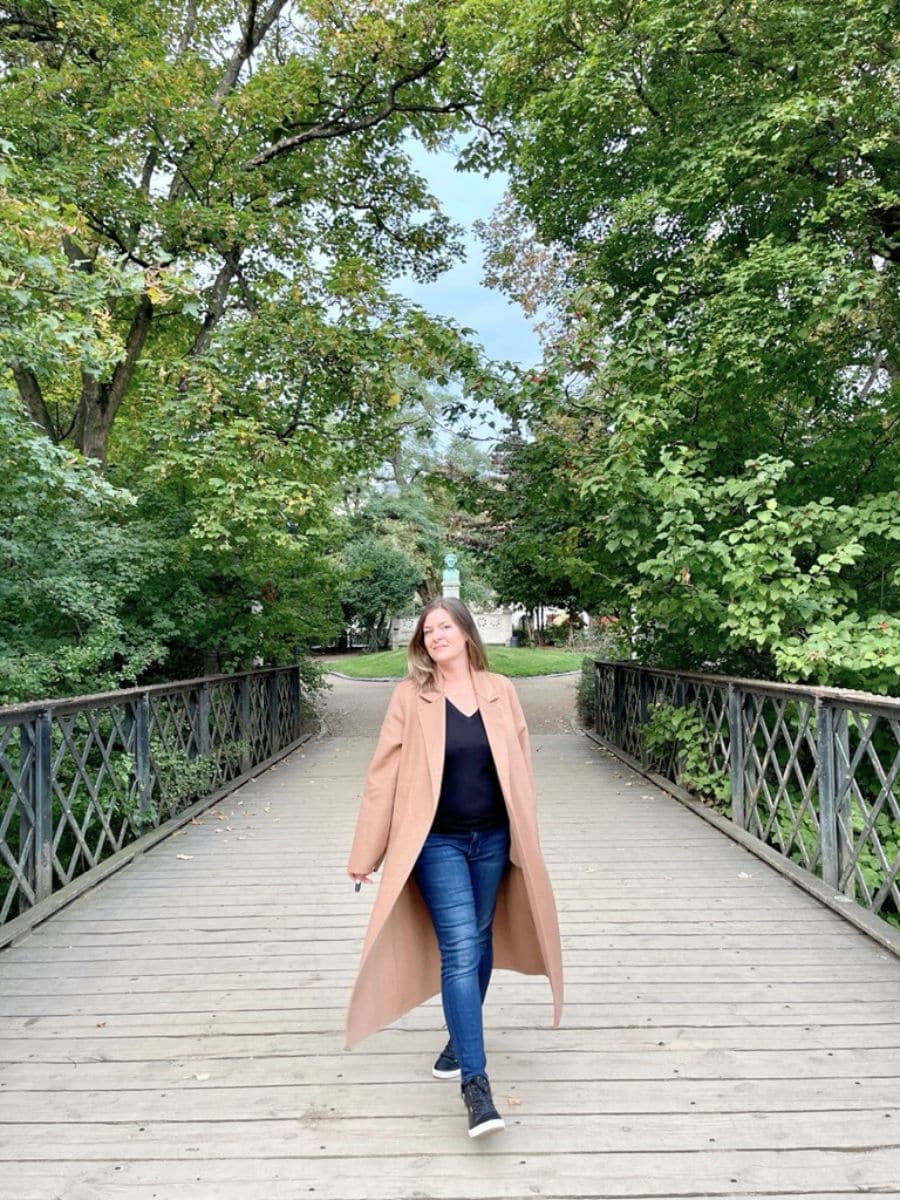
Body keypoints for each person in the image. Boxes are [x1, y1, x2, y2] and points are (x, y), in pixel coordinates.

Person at [345, 598, 563, 1138]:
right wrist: (365, 853)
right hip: (435, 842)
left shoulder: (501, 692)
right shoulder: (410, 697)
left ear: (465, 633)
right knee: (462, 948)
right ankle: (476, 1085)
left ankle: (455, 1040)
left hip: (493, 838)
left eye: (445, 627)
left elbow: (522, 770)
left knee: (482, 939)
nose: (436, 636)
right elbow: (383, 777)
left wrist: (525, 837)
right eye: (428, 631)